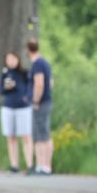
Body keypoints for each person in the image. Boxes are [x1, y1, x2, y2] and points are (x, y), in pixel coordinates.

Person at [0, 52, 33, 173]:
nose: (11, 61)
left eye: (13, 58)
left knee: (26, 136)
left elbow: (30, 87)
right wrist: (7, 87)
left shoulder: (24, 73)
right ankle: (14, 165)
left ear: (18, 59)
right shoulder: (5, 73)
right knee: (11, 137)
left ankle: (30, 165)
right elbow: (1, 90)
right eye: (8, 59)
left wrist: (27, 98)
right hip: (8, 107)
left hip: (23, 107)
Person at [27, 38, 54, 175]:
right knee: (46, 133)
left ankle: (43, 165)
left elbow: (40, 84)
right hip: (48, 101)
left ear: (28, 50)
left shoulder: (37, 64)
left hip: (41, 103)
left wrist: (36, 100)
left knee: (39, 135)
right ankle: (46, 165)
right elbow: (51, 84)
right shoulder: (46, 63)